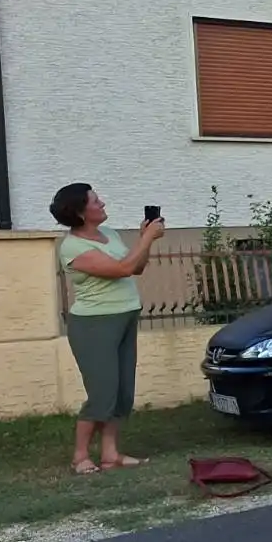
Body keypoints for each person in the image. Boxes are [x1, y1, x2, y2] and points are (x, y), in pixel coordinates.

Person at [49, 183, 166, 474]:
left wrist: (145, 240)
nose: (102, 203)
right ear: (80, 212)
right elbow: (121, 270)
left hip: (125, 315)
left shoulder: (110, 235)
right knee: (102, 393)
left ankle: (111, 455)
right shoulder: (73, 246)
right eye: (95, 201)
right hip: (94, 324)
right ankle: (80, 457)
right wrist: (147, 237)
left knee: (122, 391)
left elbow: (136, 268)